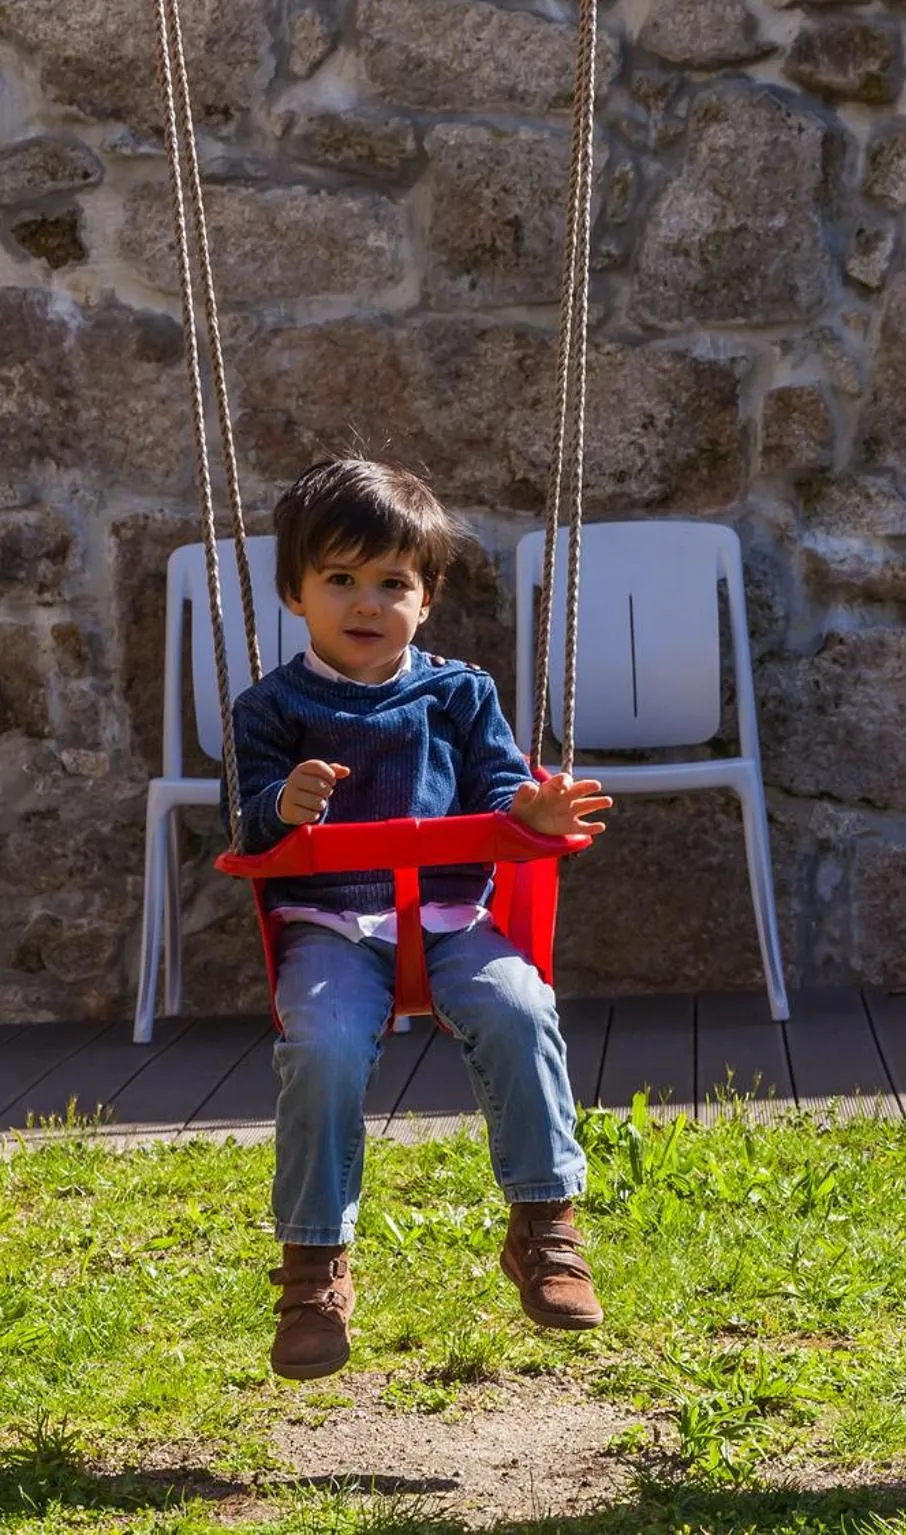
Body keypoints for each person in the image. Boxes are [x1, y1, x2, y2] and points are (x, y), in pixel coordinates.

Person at [228, 459, 612, 1381]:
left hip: (450, 915)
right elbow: (244, 823)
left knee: (520, 1006)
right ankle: (314, 1265)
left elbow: (495, 791)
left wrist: (533, 811)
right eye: (340, 579)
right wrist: (286, 804)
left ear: (426, 597)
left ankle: (545, 1224)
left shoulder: (460, 695)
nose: (367, 602)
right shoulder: (271, 707)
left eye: (392, 582)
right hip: (331, 926)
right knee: (318, 1045)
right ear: (296, 592)